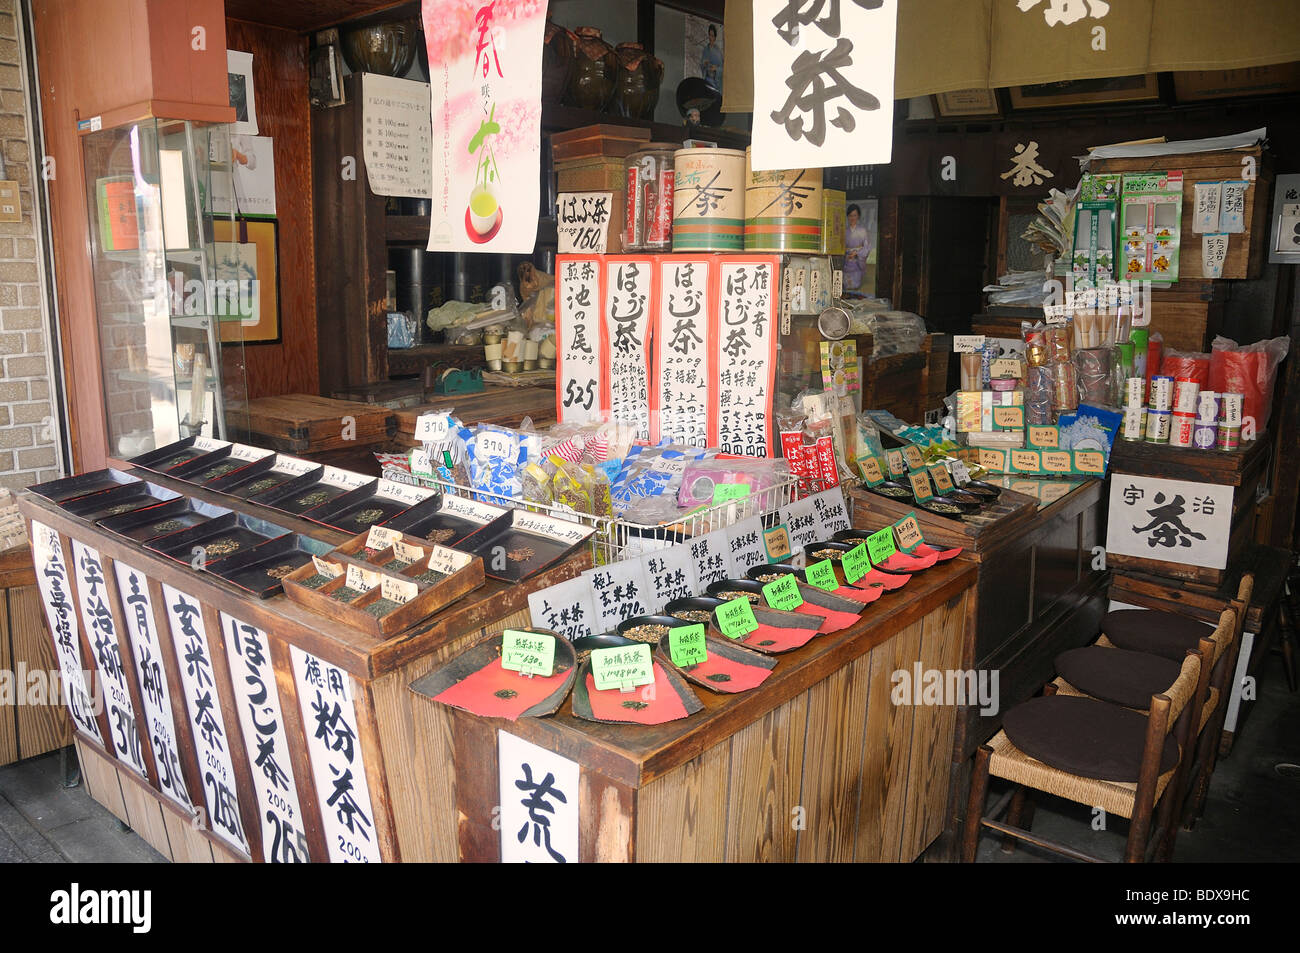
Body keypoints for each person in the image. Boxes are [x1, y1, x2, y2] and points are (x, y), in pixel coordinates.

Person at [844, 203, 871, 292]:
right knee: (846, 286)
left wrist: (857, 253)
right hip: (846, 260)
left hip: (857, 261)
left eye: (854, 215)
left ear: (858, 216)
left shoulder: (863, 231)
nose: (852, 218)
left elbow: (867, 247)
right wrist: (845, 253)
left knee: (855, 287)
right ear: (847, 216)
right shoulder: (844, 231)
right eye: (850, 215)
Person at [699, 24, 722, 91]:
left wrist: (716, 68)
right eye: (709, 35)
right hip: (707, 79)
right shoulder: (705, 50)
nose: (710, 37)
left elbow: (722, 68)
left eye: (712, 35)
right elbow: (702, 65)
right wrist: (704, 63)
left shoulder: (718, 52)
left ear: (715, 37)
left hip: (715, 82)